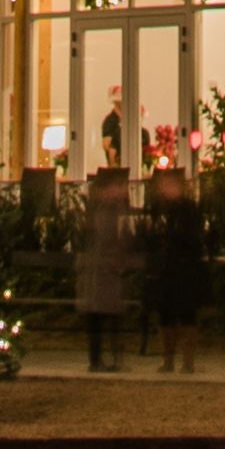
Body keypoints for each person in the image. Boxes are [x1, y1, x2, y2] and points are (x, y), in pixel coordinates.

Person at [140, 171, 215, 377]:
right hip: (167, 269)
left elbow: (194, 240)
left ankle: (187, 362)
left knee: (186, 317)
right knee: (166, 318)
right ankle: (168, 359)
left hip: (185, 269)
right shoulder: (160, 209)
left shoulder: (187, 209)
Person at [74, 160, 142, 373]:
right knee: (105, 315)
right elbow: (107, 238)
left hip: (103, 270)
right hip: (102, 269)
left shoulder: (103, 210)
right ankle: (103, 359)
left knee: (106, 315)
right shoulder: (104, 211)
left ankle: (105, 358)